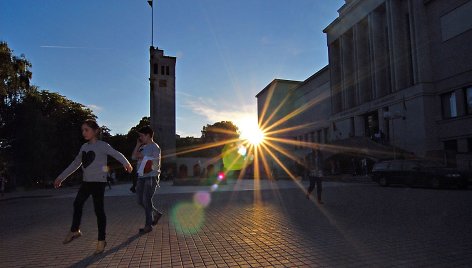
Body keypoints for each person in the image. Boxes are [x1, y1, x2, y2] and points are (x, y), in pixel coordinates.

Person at [54, 119, 133, 255]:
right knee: (77, 203)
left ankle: (101, 240)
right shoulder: (84, 147)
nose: (84, 132)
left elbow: (116, 153)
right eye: (82, 130)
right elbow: (75, 164)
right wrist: (61, 177)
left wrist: (126, 163)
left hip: (98, 183)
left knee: (99, 211)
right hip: (86, 182)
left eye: (87, 130)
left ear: (95, 131)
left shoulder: (103, 146)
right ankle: (75, 230)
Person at [132, 126, 163, 234]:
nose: (140, 137)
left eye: (141, 135)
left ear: (148, 135)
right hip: (141, 176)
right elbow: (133, 157)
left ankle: (148, 225)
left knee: (146, 199)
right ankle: (156, 213)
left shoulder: (155, 147)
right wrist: (137, 145)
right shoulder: (142, 147)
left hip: (151, 176)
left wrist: (142, 156)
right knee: (140, 201)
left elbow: (155, 164)